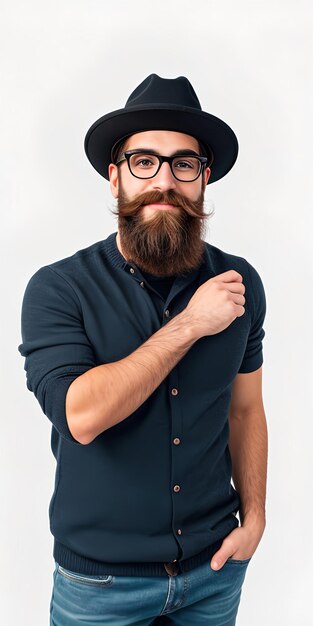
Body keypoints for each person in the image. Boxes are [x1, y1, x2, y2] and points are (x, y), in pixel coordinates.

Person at [18, 73, 268, 625]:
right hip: (101, 586)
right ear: (115, 178)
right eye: (144, 162)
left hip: (215, 571)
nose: (165, 181)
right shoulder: (59, 288)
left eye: (183, 164)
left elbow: (245, 408)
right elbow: (81, 416)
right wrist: (190, 324)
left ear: (203, 179)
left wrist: (255, 519)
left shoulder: (239, 282)